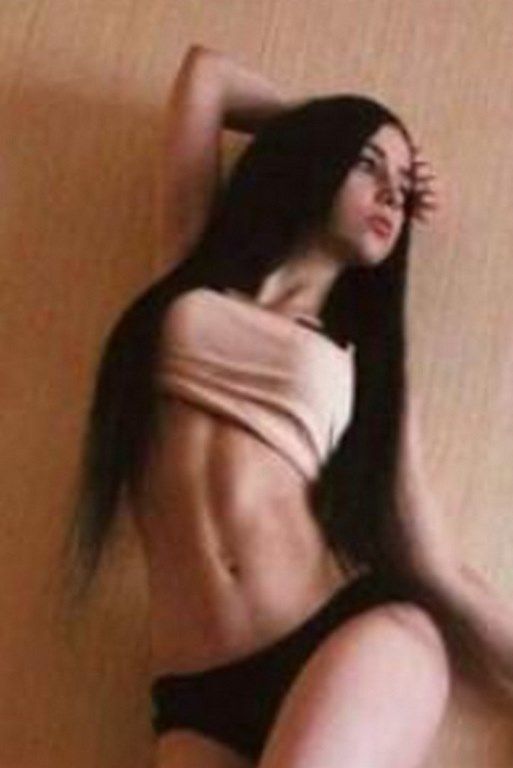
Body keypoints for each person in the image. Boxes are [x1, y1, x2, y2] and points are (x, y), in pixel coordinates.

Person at [64, 44, 513, 768]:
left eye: (403, 187)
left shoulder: (365, 366)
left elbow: (431, 559)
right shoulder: (189, 272)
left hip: (343, 640)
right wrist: (324, 127)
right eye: (368, 166)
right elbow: (206, 75)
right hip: (197, 694)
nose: (391, 195)